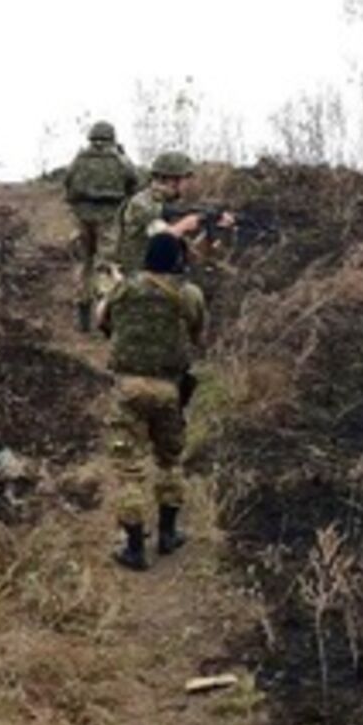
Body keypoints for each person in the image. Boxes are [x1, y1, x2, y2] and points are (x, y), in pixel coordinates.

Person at [96, 232, 206, 571]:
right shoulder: (188, 294)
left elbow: (105, 322)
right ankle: (169, 534)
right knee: (170, 461)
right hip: (169, 389)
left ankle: (133, 548)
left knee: (129, 470)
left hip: (128, 388)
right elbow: (198, 332)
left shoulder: (123, 288)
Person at [63, 121, 139, 332]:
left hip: (81, 219)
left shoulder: (79, 159)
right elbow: (134, 183)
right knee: (106, 265)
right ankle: (105, 315)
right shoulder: (120, 160)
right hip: (109, 218)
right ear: (112, 138)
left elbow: (68, 183)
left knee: (82, 265)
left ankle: (83, 317)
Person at [113, 151, 232, 274]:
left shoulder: (166, 202)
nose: (188, 185)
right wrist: (185, 225)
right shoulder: (141, 203)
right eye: (185, 179)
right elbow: (163, 239)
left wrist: (214, 220)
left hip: (156, 273)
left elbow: (186, 215)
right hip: (137, 275)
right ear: (171, 181)